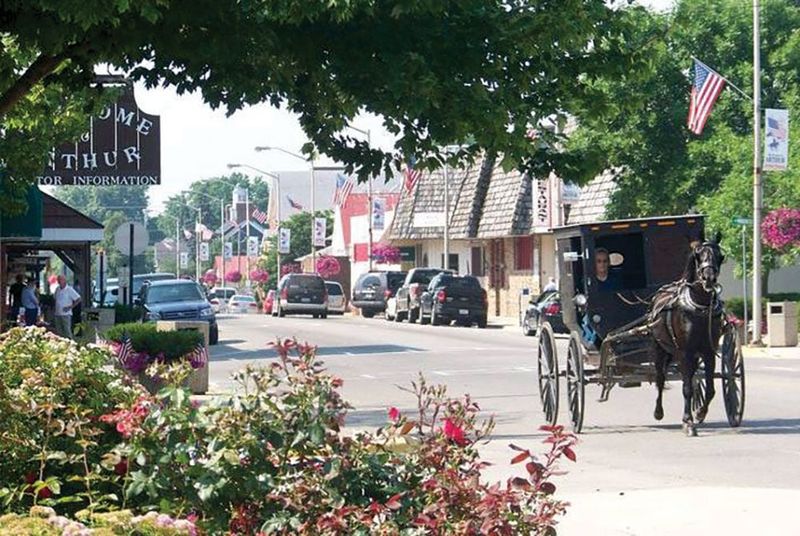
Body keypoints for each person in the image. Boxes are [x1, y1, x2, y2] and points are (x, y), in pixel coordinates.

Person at [54, 275, 81, 339]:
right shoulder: (57, 289)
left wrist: (70, 307)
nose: (59, 281)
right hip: (57, 313)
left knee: (67, 331)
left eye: (60, 280)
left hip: (66, 314)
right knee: (59, 332)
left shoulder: (69, 289)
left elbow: (78, 299)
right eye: (58, 280)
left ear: (64, 281)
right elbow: (55, 298)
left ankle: (70, 344)